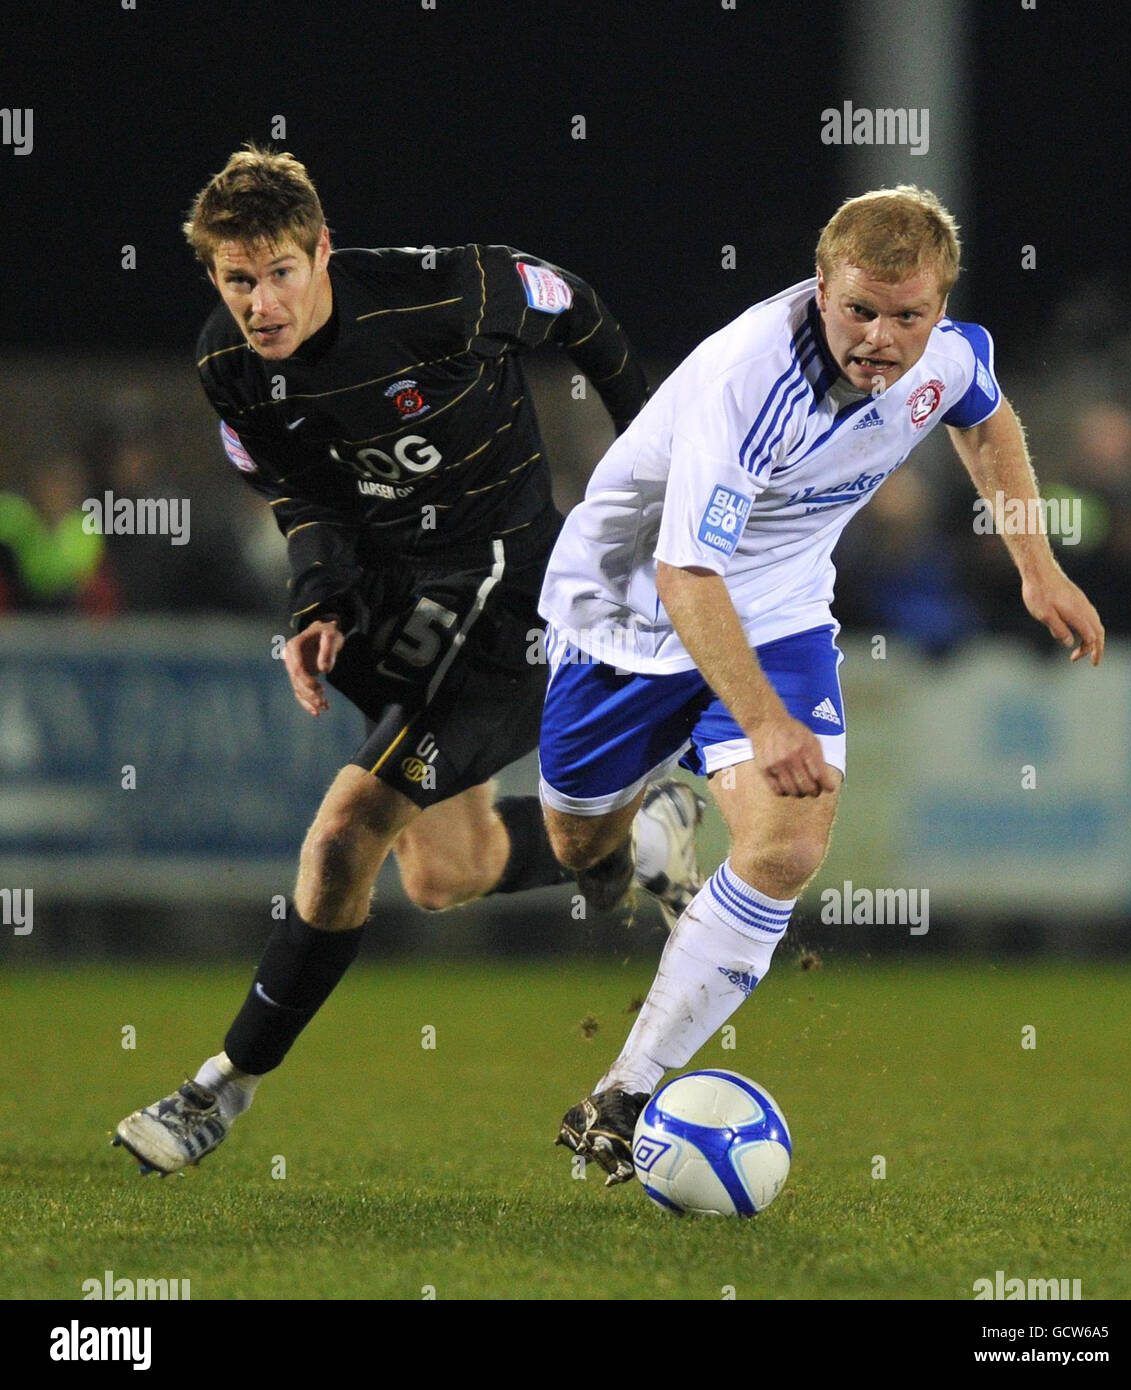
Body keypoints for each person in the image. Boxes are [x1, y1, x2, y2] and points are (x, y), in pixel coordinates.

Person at [113, 145, 701, 1175]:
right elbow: (302, 498)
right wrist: (320, 601)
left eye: (279, 273)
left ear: (323, 251)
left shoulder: (446, 290)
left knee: (347, 830)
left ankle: (221, 1087)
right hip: (395, 603)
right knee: (439, 872)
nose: (260, 302)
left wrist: (653, 471)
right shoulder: (227, 366)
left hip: (510, 597)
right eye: (236, 279)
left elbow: (580, 313)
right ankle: (639, 835)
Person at [539, 185, 1105, 1185]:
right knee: (581, 844)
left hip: (779, 606)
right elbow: (686, 574)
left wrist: (1035, 561)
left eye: (907, 315)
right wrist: (761, 721)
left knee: (791, 841)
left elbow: (985, 416)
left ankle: (625, 1091)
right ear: (820, 284)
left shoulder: (944, 353)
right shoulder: (752, 384)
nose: (881, 339)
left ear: (938, 307)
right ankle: (657, 822)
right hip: (630, 607)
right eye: (859, 309)